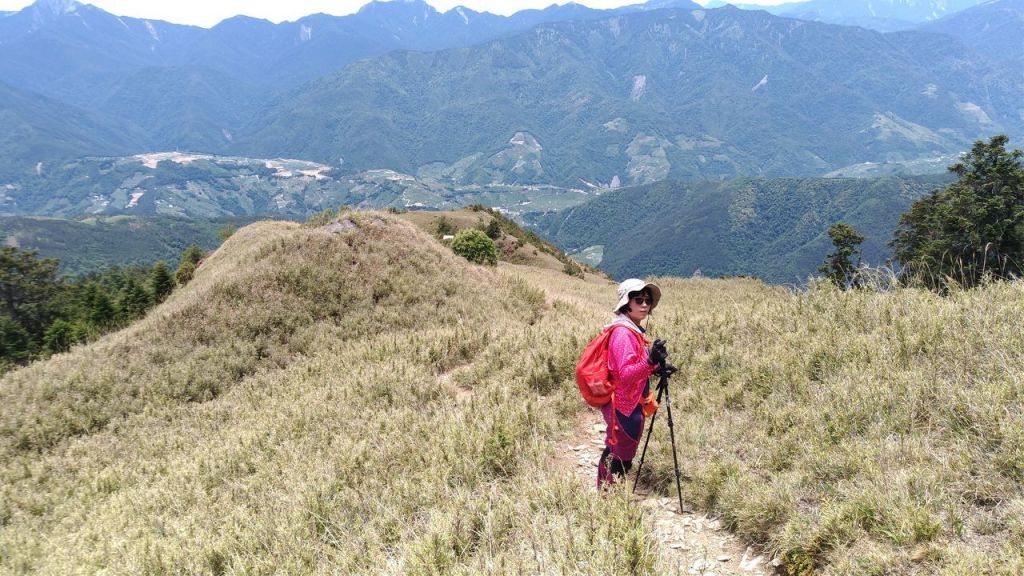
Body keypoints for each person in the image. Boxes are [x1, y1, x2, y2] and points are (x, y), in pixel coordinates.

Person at [597, 278, 670, 488]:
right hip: (624, 406)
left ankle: (608, 494)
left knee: (620, 451)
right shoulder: (623, 333)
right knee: (620, 455)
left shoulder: (632, 330)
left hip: (631, 404)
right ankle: (608, 498)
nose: (645, 304)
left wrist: (657, 367)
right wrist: (650, 361)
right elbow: (625, 374)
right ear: (626, 303)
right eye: (639, 299)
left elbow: (633, 365)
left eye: (648, 300)